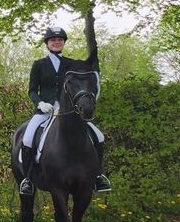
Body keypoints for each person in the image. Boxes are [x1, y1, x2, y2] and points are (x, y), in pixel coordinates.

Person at [18, 26, 112, 196]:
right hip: (45, 110)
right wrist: (40, 103)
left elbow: (84, 80)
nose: (56, 42)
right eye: (53, 39)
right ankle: (28, 180)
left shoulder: (71, 64)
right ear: (47, 43)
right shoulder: (39, 64)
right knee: (27, 138)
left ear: (63, 42)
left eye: (60, 39)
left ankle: (98, 176)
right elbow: (32, 90)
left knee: (98, 136)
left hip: (69, 110)